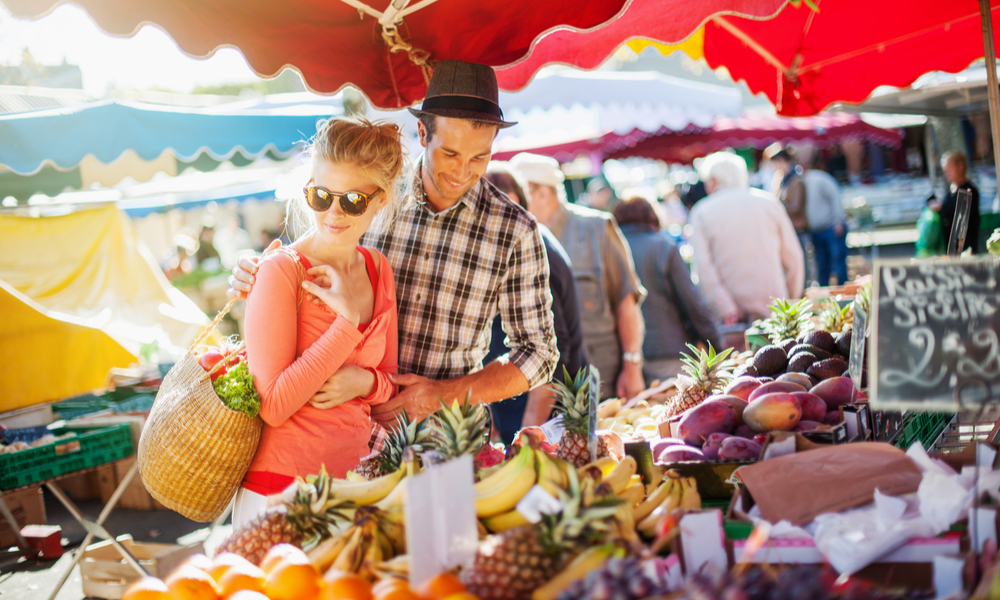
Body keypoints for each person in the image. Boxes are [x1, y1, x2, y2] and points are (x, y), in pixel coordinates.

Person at [230, 60, 558, 429]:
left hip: (447, 437)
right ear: (422, 131)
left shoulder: (516, 230)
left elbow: (539, 354)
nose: (463, 171)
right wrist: (256, 275)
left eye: (480, 157)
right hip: (353, 433)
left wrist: (442, 394)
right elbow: (309, 254)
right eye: (450, 154)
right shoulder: (370, 194)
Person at [235, 116, 403, 528]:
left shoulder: (378, 268)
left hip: (357, 488)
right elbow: (272, 406)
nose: (332, 213)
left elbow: (390, 381)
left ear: (380, 200)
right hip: (283, 497)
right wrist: (345, 327)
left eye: (352, 201)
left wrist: (364, 384)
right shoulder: (281, 270)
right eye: (321, 195)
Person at [510, 152, 646, 399]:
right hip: (544, 392)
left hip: (603, 380)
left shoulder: (597, 227)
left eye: (519, 194)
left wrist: (632, 365)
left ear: (541, 193)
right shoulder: (517, 240)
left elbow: (626, 301)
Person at [483, 163, 587, 443]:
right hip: (521, 415)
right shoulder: (519, 244)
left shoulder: (535, 252)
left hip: (548, 422)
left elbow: (554, 352)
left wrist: (528, 433)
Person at [612, 196, 720, 384]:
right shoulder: (663, 247)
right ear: (652, 217)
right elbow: (691, 303)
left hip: (625, 361)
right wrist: (715, 344)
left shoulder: (610, 252)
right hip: (669, 355)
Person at [688, 152, 804, 324]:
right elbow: (794, 259)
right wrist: (788, 300)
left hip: (732, 319)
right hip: (774, 309)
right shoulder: (769, 203)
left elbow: (703, 269)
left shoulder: (701, 212)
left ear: (713, 181)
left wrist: (725, 309)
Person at [802, 157, 849, 285]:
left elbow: (835, 198)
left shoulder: (820, 179)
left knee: (838, 264)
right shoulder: (801, 183)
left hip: (830, 228)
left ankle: (843, 291)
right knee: (822, 266)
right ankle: (825, 293)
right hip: (817, 230)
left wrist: (838, 221)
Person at [930, 151, 981, 254]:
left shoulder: (968, 191)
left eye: (949, 170)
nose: (946, 174)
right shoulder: (950, 189)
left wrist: (941, 208)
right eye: (945, 171)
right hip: (950, 249)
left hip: (965, 250)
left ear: (960, 167)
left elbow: (960, 223)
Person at [769, 148, 810, 257]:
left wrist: (776, 208)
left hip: (797, 229)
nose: (774, 167)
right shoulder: (781, 179)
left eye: (775, 163)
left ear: (782, 161)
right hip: (788, 228)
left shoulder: (796, 179)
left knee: (800, 262)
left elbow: (796, 207)